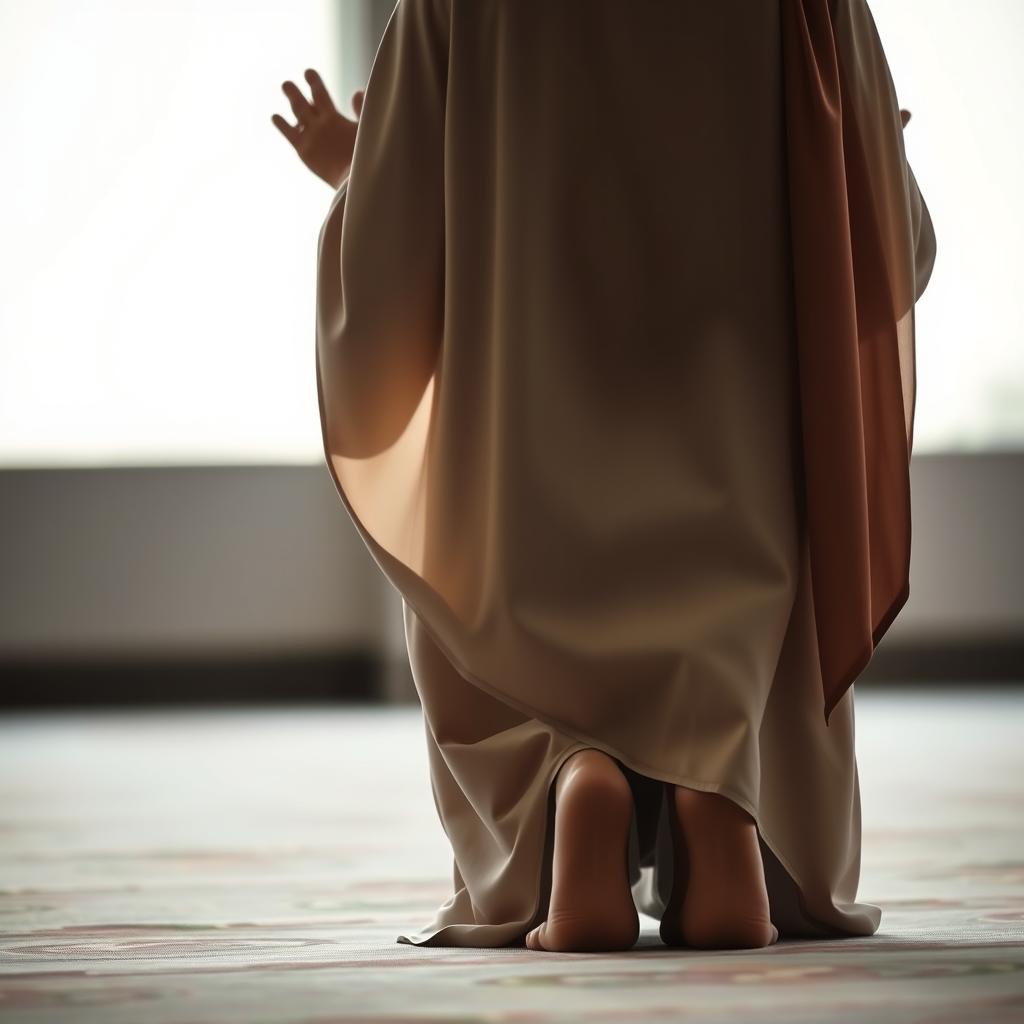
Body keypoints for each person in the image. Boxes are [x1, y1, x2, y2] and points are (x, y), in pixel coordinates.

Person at [273, 0, 936, 953]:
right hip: (734, 467)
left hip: (529, 470)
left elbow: (388, 263)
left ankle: (572, 784)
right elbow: (884, 249)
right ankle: (721, 805)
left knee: (511, 623)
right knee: (730, 622)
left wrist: (355, 173)